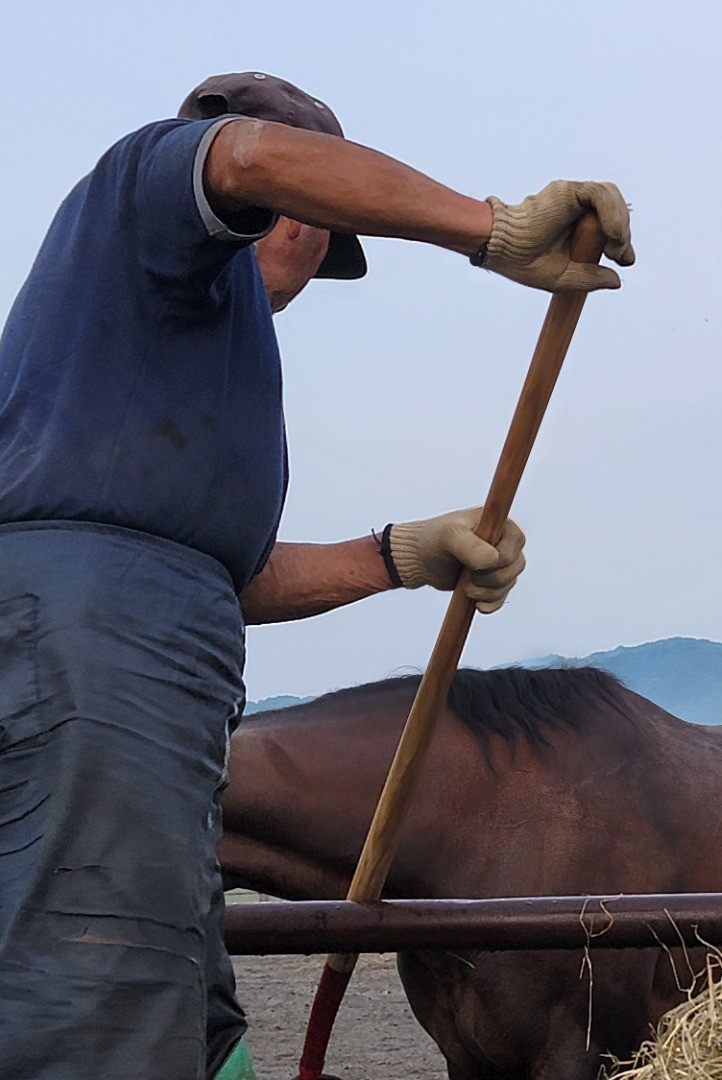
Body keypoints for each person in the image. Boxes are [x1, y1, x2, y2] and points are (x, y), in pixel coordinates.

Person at [0, 72, 633, 1079]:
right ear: (287, 210)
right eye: (325, 234)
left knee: (183, 1009)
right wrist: (491, 228)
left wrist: (400, 556)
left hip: (151, 679)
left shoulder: (189, 352)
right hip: (94, 667)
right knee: (99, 994)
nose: (307, 275)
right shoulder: (145, 189)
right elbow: (249, 154)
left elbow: (226, 575)